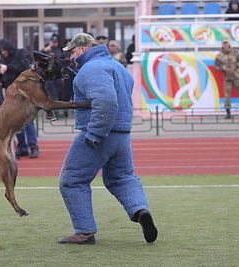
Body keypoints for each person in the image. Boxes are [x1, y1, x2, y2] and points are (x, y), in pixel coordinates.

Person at [58, 33, 158, 245]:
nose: (71, 58)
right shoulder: (118, 66)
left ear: (83, 49)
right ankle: (141, 211)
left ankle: (84, 232)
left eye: (73, 52)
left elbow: (106, 102)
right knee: (122, 178)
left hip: (100, 134)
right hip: (122, 135)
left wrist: (94, 133)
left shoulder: (91, 69)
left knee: (72, 180)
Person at [214, 36, 239, 119]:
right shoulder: (219, 55)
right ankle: (228, 114)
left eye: (226, 43)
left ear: (229, 43)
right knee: (227, 96)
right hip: (227, 78)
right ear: (222, 44)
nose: (225, 44)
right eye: (224, 43)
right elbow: (215, 66)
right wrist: (221, 68)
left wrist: (238, 65)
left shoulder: (235, 52)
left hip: (236, 76)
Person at [41, 34, 64, 119]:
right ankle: (50, 113)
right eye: (52, 42)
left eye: (55, 42)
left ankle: (57, 113)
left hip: (57, 76)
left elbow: (60, 63)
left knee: (57, 94)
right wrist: (45, 49)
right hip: (48, 76)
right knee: (50, 95)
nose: (54, 44)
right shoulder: (45, 50)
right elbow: (40, 58)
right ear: (50, 42)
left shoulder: (58, 51)